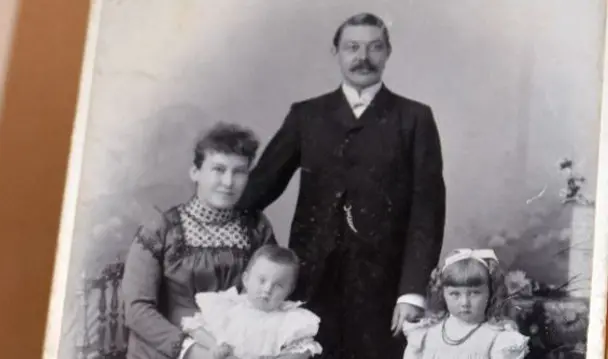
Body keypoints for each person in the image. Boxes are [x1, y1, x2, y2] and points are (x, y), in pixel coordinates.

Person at [236, 12, 446, 358]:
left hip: (383, 289)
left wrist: (411, 292)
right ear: (336, 52)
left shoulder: (414, 119)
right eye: (352, 47)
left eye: (374, 47)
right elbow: (259, 188)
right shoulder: (306, 115)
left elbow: (428, 210)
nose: (363, 58)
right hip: (309, 283)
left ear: (388, 52)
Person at [122, 122, 277, 359]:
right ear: (195, 172)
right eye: (218, 169)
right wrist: (193, 351)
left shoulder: (256, 228)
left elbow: (271, 293)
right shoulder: (161, 229)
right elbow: (137, 310)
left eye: (239, 172)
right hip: (169, 351)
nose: (228, 182)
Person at [180, 244, 322, 359]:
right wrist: (215, 346)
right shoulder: (227, 307)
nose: (267, 289)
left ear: (288, 292)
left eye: (278, 285)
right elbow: (196, 329)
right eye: (261, 280)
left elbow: (302, 350)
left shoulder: (289, 320)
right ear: (246, 280)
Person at [402, 248, 529, 358]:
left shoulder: (498, 338)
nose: (465, 302)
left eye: (474, 293)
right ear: (442, 294)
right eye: (455, 294)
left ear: (491, 292)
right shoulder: (425, 333)